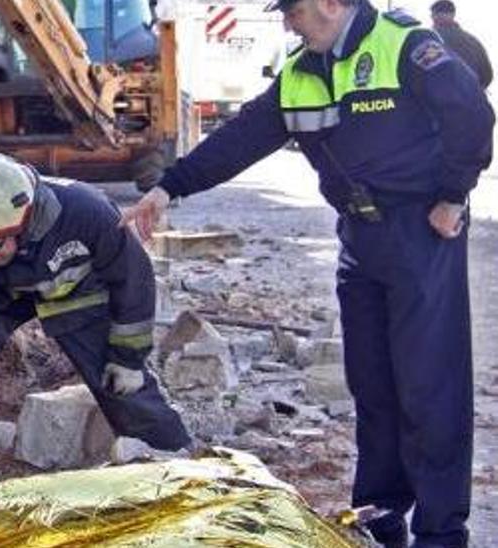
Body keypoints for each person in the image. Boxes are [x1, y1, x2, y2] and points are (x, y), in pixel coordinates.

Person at [120, 1, 494, 546]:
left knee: (429, 386)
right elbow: (241, 138)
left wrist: (452, 195)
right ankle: (381, 515)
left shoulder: (403, 44)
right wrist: (167, 186)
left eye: (292, 10)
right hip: (360, 240)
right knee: (373, 385)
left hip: (420, 233)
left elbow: (472, 115)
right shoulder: (300, 73)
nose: (287, 22)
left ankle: (441, 531)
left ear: (328, 2)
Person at [0, 153, 192, 457]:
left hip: (77, 293)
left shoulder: (87, 213)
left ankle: (172, 453)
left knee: (118, 380)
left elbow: (133, 281)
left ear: (23, 218)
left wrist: (128, 359)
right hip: (5, 295)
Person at [429, 0, 491, 89]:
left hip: (442, 97)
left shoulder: (433, 40)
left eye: (434, 15)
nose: (433, 19)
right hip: (472, 97)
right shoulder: (473, 40)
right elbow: (487, 75)